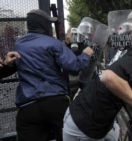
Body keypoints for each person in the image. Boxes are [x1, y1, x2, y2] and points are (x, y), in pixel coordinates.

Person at [63, 18, 132, 141]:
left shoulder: (129, 50)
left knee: (115, 134)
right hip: (86, 126)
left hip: (78, 113)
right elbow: (108, 76)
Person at [14, 9, 94, 141]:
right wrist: (86, 54)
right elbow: (74, 67)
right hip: (55, 101)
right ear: (43, 24)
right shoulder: (53, 43)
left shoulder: (19, 44)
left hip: (27, 105)